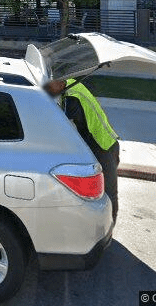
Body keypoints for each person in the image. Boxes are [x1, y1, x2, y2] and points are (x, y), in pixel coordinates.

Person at [44, 78, 120, 222]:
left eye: (49, 85)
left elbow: (61, 125)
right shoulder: (72, 85)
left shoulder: (72, 98)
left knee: (109, 193)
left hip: (103, 146)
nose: (47, 89)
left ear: (61, 83)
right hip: (105, 143)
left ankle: (109, 227)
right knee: (98, 192)